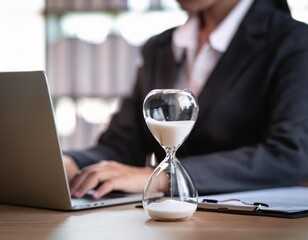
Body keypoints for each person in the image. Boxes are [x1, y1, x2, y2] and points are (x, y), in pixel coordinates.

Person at [64, 0, 308, 199]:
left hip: (250, 223)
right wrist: (70, 163)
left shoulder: (294, 42)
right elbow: (123, 146)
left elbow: (288, 154)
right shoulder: (159, 48)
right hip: (166, 220)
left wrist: (162, 177)